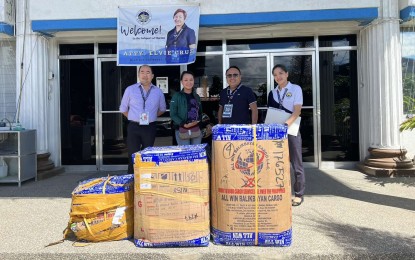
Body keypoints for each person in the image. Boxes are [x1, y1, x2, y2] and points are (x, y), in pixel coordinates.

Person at [267, 64, 305, 206]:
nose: (278, 77)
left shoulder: (295, 89)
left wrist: (285, 126)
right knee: (278, 163)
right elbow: (270, 112)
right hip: (277, 133)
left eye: (281, 73)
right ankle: (280, 192)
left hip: (291, 130)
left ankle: (299, 194)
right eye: (275, 75)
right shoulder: (272, 93)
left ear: (287, 74)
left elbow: (297, 112)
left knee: (296, 164)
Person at [119, 65, 167, 174]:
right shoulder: (130, 90)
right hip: (134, 127)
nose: (145, 75)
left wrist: (151, 117)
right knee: (133, 156)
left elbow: (162, 109)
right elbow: (123, 108)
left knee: (147, 156)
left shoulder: (158, 91)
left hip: (150, 127)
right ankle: (132, 183)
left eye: (148, 72)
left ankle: (145, 183)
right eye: (142, 72)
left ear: (152, 76)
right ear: (138, 74)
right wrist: (133, 117)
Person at [170, 71, 204, 145]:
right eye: (186, 80)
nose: (189, 82)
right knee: (185, 154)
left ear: (193, 81)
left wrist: (198, 121)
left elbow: (200, 112)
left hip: (196, 129)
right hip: (182, 130)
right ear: (182, 82)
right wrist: (183, 124)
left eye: (191, 80)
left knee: (195, 154)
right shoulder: (177, 96)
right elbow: (173, 114)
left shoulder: (196, 96)